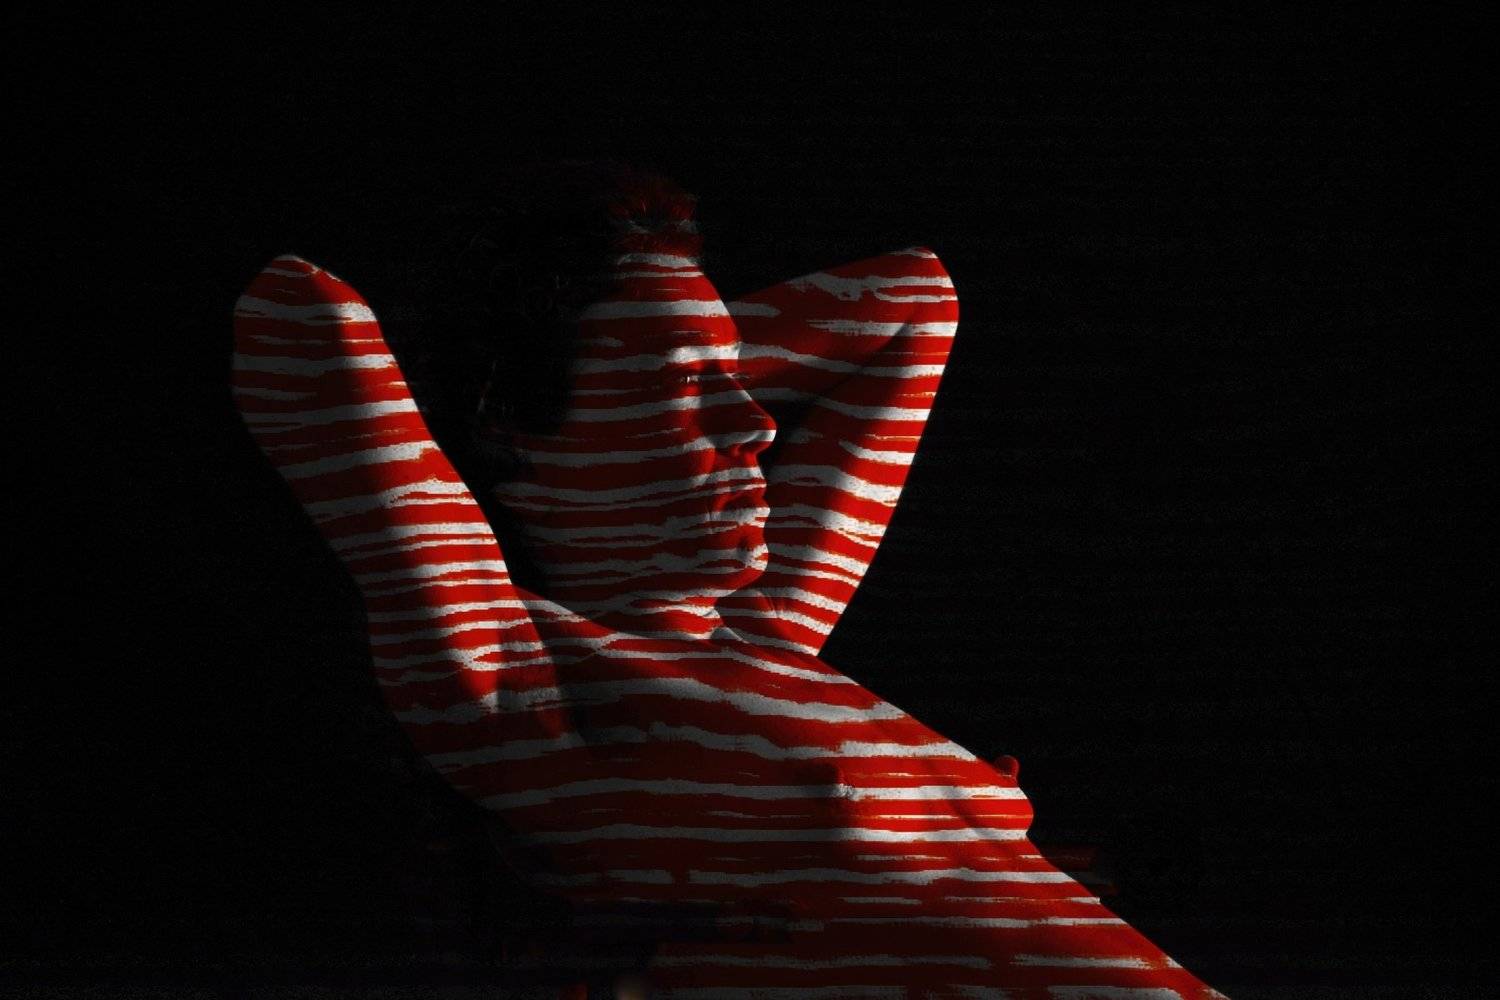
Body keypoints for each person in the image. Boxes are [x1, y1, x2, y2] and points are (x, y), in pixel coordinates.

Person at [231, 159, 1226, 997]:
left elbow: (917, 297)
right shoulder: (530, 686)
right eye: (688, 386)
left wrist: (652, 355)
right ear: (512, 427)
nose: (756, 424)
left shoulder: (765, 636)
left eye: (739, 379)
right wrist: (542, 365)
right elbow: (298, 307)